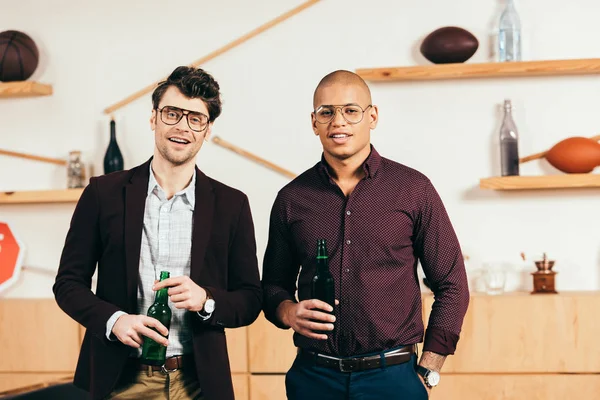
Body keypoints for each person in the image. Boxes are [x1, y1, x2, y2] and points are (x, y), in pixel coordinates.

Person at [54, 66, 262, 400]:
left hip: (199, 382)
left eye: (196, 118)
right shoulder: (102, 193)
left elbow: (251, 299)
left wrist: (206, 300)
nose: (183, 126)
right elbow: (67, 284)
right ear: (153, 118)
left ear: (207, 130)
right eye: (172, 114)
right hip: (120, 380)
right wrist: (114, 320)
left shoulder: (232, 204)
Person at [261, 70, 469, 399]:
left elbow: (452, 284)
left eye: (351, 110)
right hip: (313, 377)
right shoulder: (292, 198)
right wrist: (288, 311)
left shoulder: (413, 190)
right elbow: (273, 285)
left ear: (372, 117)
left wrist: (429, 368)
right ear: (314, 122)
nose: (338, 122)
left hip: (392, 378)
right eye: (326, 112)